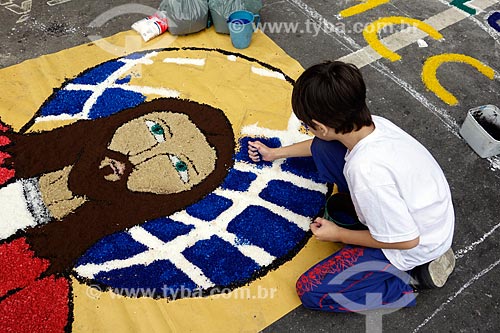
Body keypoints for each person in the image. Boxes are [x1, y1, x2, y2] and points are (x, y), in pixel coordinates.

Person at [0, 98, 235, 331]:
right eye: (155, 129)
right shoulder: (5, 147)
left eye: (179, 167)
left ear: (175, 197)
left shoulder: (42, 293)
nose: (141, 156)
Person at [248, 61, 455, 312]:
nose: (308, 130)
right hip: (426, 214)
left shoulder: (366, 172)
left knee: (312, 291)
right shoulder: (373, 125)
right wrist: (275, 153)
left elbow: (407, 240)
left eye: (307, 125)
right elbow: (319, 144)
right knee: (324, 148)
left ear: (322, 126)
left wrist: (338, 234)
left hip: (415, 243)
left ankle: (408, 282)